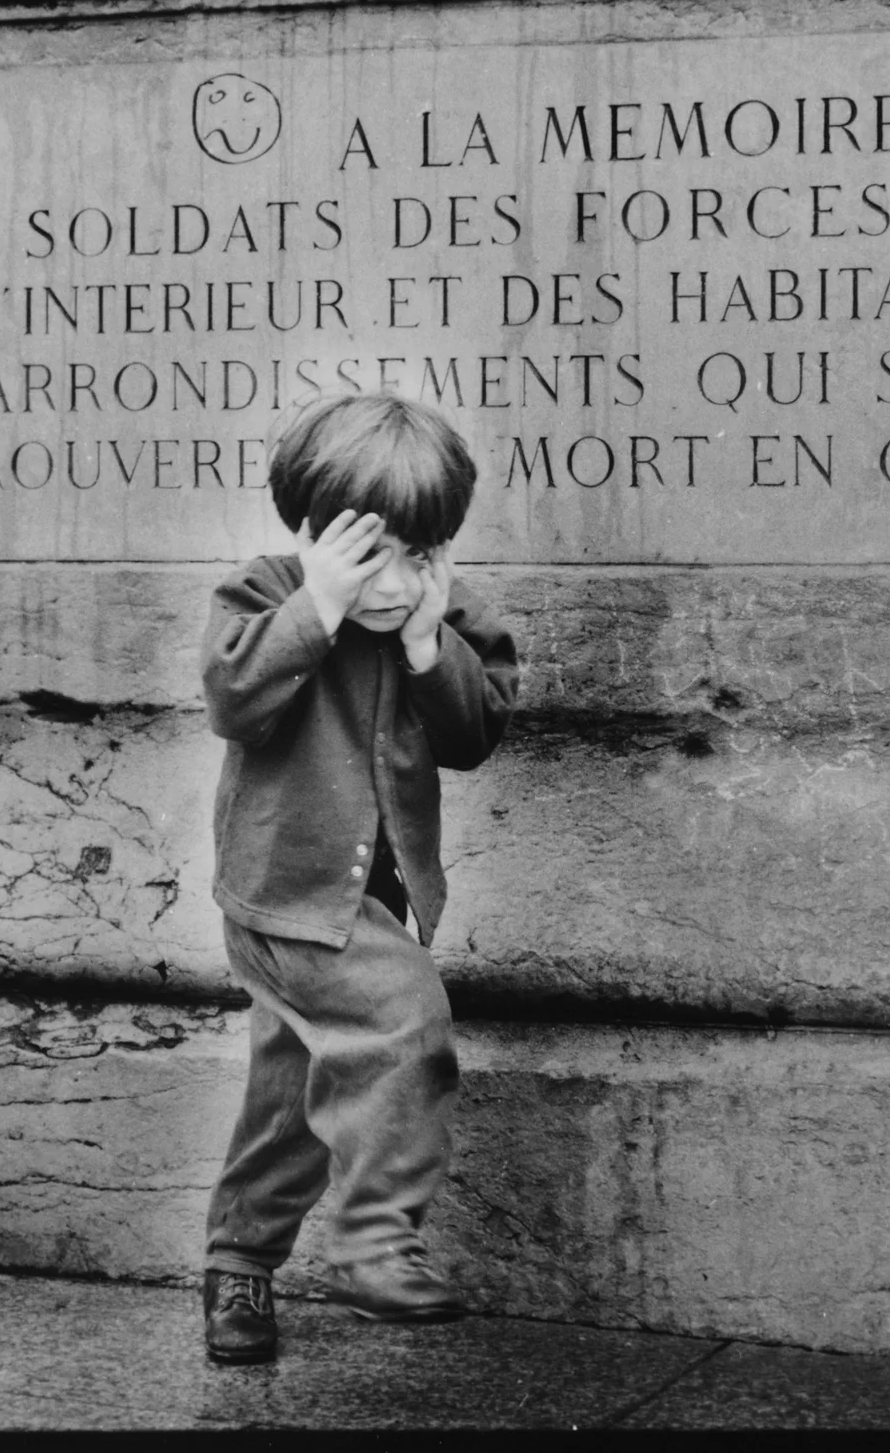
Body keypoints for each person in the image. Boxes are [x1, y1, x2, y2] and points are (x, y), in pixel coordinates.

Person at [195, 391, 519, 1364]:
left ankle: (237, 1260)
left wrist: (426, 645)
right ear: (312, 533)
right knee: (404, 1018)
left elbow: (474, 734)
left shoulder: (440, 615)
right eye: (369, 553)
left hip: (369, 901)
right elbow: (234, 701)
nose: (398, 579)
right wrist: (320, 606)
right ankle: (374, 1241)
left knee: (294, 1094)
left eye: (421, 553)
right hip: (282, 899)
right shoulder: (265, 594)